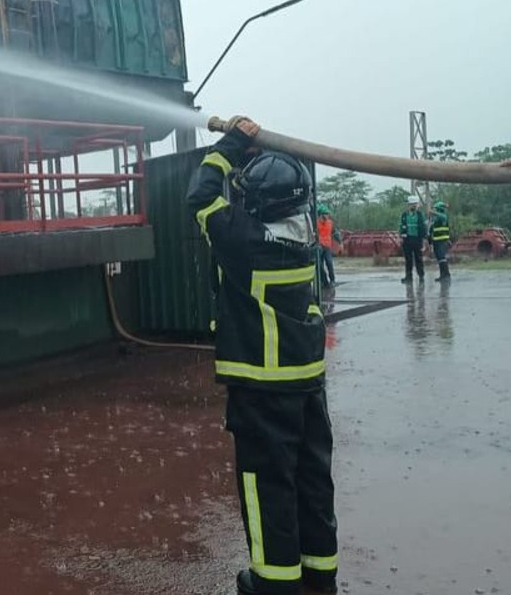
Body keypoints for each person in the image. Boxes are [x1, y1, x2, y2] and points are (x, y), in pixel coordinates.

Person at [186, 117, 338, 595]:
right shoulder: (305, 238)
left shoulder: (242, 242)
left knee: (267, 486)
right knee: (312, 482)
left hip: (262, 390)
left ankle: (273, 584)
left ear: (256, 202)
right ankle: (319, 576)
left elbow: (201, 194)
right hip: (308, 385)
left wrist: (233, 141)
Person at [399, 195, 427, 283]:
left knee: (418, 258)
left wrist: (424, 240)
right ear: (409, 205)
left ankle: (421, 276)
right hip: (407, 240)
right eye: (412, 204)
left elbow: (423, 227)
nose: (413, 206)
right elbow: (401, 227)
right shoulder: (404, 215)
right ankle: (408, 276)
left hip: (417, 239)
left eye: (415, 204)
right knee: (408, 259)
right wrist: (400, 237)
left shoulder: (419, 215)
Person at [316, 205, 342, 288]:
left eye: (328, 214)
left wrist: (340, 243)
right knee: (319, 266)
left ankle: (332, 280)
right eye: (325, 214)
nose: (327, 216)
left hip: (327, 246)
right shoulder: (315, 223)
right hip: (318, 247)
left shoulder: (330, 223)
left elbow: (335, 233)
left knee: (329, 263)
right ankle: (324, 281)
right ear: (320, 215)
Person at [429, 200, 451, 282]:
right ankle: (443, 275)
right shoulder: (436, 218)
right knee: (439, 258)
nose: (435, 210)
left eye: (436, 209)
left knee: (442, 258)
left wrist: (433, 212)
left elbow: (442, 216)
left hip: (442, 240)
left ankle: (446, 275)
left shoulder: (443, 216)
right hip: (436, 241)